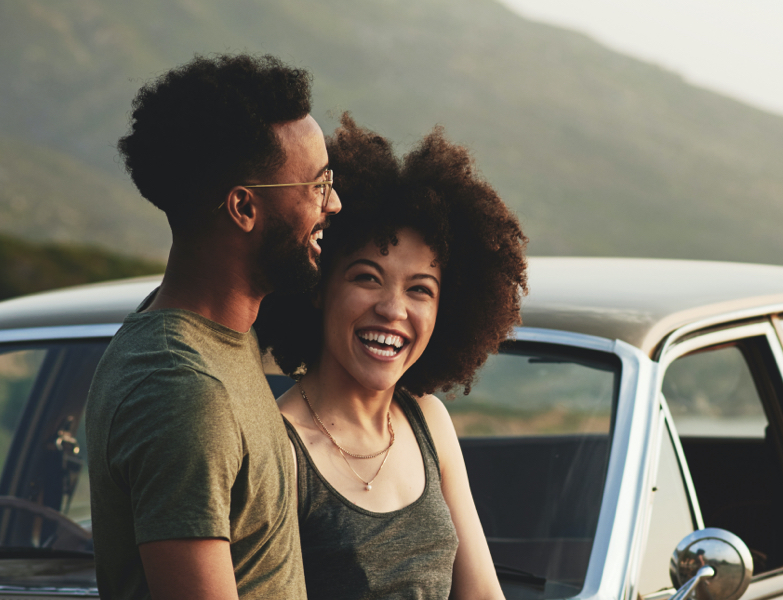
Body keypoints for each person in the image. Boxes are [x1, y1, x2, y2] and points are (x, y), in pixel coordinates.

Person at [84, 54, 339, 600]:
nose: (333, 204)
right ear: (245, 208)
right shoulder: (181, 390)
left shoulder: (218, 338)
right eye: (318, 187)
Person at [256, 115, 527, 600]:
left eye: (420, 289)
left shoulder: (428, 421)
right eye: (367, 277)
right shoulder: (278, 448)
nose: (393, 309)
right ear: (319, 286)